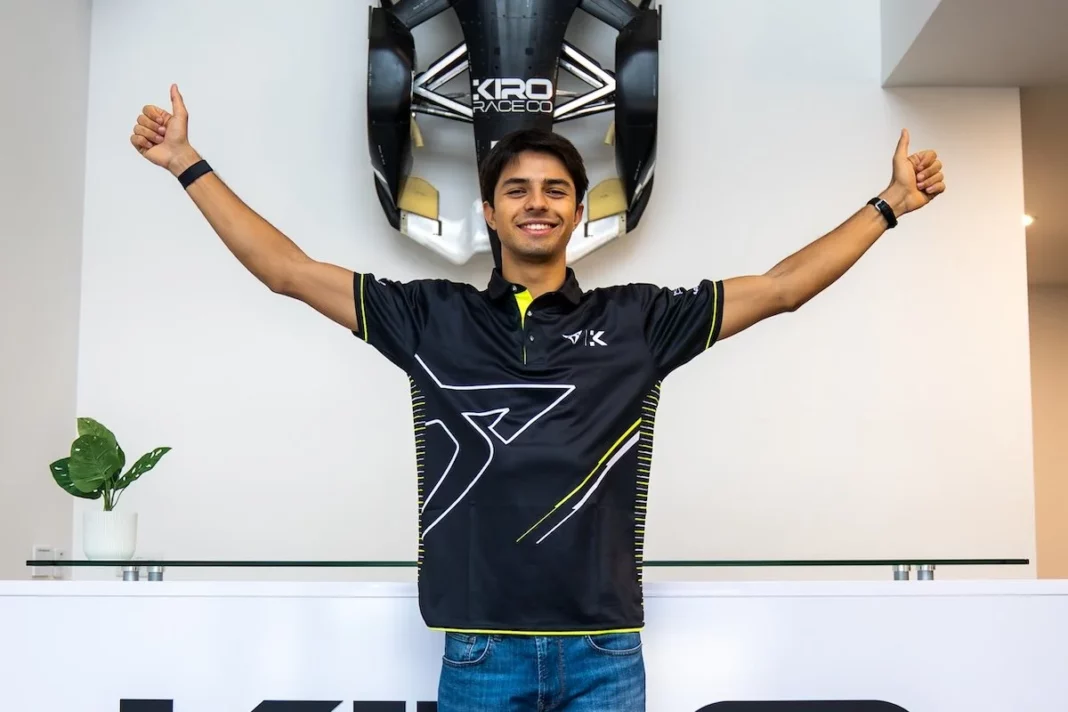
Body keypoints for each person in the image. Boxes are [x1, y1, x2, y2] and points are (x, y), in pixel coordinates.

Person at [129, 84, 945, 711]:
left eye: (555, 190)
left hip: (605, 652)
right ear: (489, 212)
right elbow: (288, 271)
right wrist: (186, 164)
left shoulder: (639, 322)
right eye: (517, 189)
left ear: (578, 213)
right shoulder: (430, 319)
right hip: (481, 651)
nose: (537, 203)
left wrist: (889, 206)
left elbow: (780, 289)